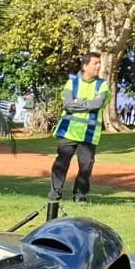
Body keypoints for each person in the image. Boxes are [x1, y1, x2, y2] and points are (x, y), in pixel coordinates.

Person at [49, 52, 107, 206]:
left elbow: (98, 104)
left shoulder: (102, 85)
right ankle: (55, 194)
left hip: (89, 134)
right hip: (68, 131)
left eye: (99, 63)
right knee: (61, 164)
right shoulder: (71, 83)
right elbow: (68, 104)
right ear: (85, 65)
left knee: (86, 166)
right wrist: (87, 103)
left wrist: (78, 102)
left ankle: (80, 196)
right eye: (95, 63)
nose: (99, 66)